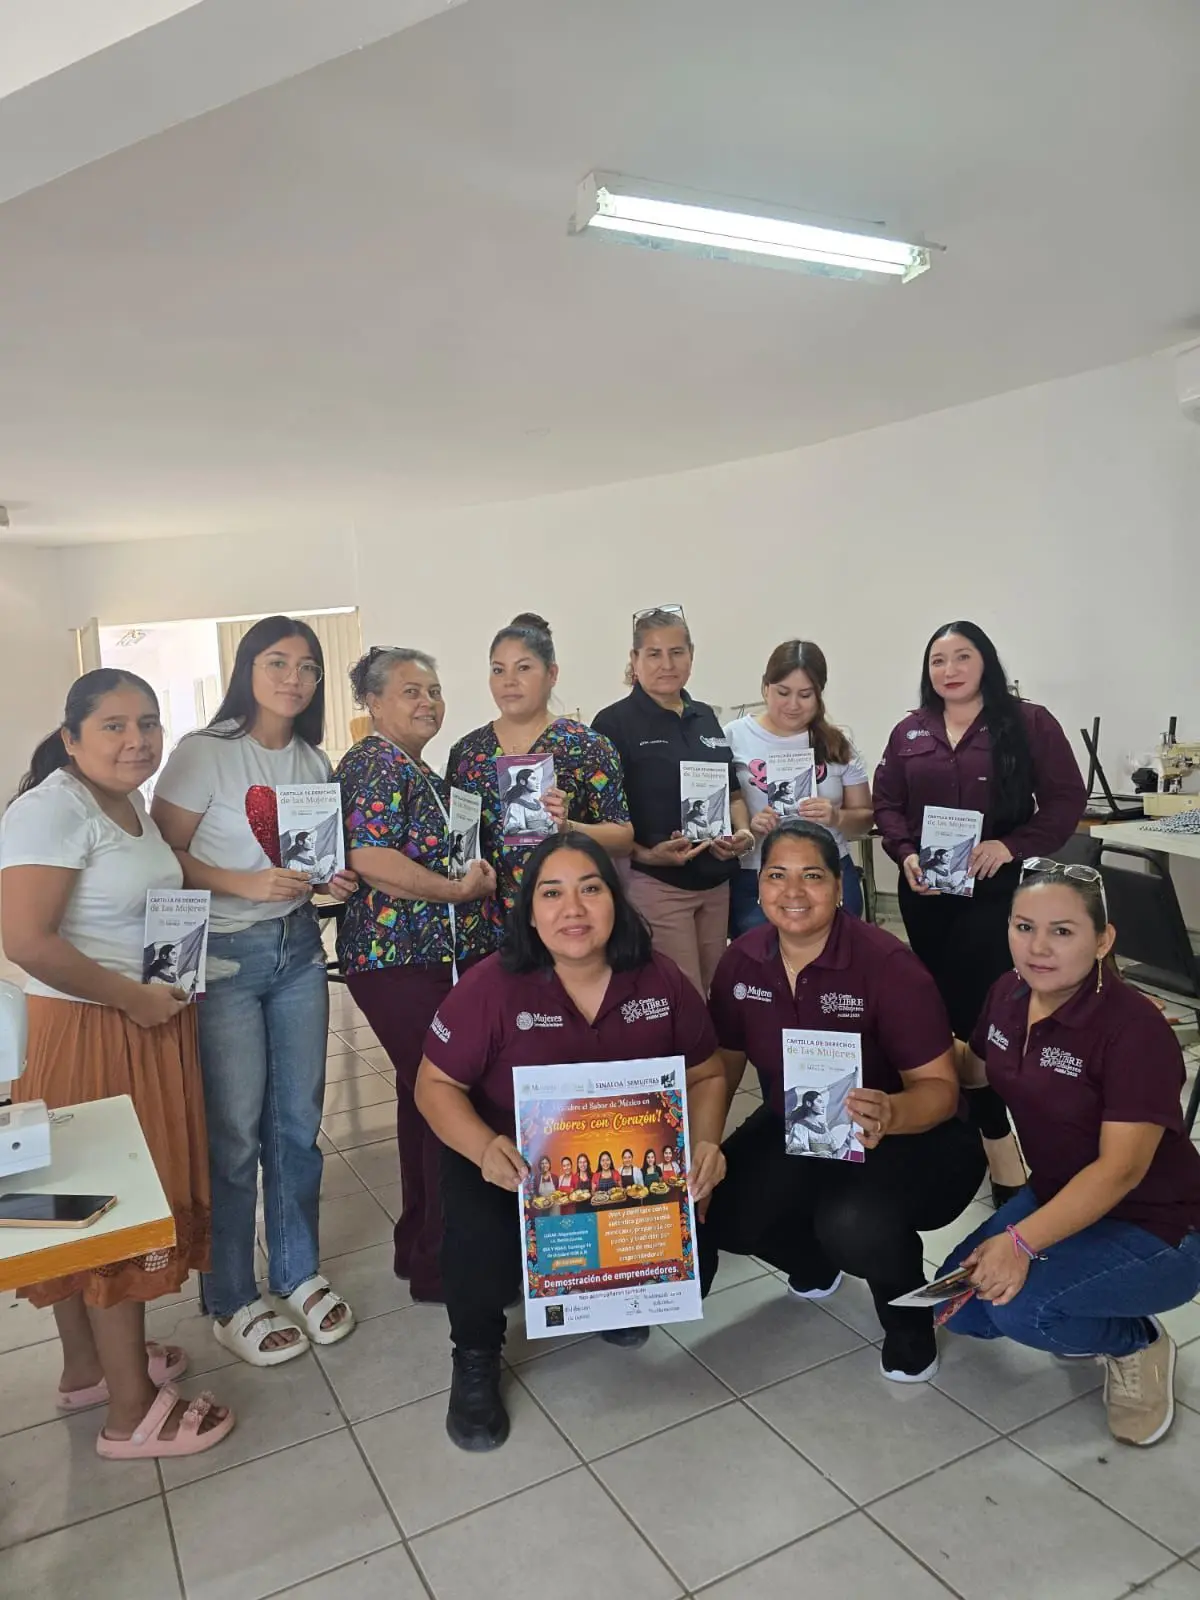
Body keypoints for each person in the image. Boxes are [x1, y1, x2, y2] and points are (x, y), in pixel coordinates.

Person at [414, 832, 728, 1450]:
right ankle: (475, 1356)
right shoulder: (490, 986)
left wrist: (706, 1146)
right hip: (509, 1162)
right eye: (552, 893)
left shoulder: (658, 978)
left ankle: (612, 1299)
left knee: (699, 1259)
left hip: (622, 1166)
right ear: (530, 911)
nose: (574, 909)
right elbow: (434, 1084)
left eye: (590, 889)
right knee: (477, 1242)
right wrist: (483, 1148)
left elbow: (707, 1073)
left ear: (616, 899)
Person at [0, 671, 234, 1459]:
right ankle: (131, 1414)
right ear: (71, 738)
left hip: (135, 1018)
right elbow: (26, 941)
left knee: (80, 1208)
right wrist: (132, 1000)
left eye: (149, 722)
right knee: (105, 1213)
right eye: (114, 725)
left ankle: (89, 1368)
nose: (137, 740)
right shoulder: (51, 809)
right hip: (91, 1029)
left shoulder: (125, 803)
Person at [704, 820, 986, 1382]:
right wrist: (706, 1147)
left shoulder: (887, 965)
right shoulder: (743, 961)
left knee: (853, 1222)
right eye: (777, 876)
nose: (793, 891)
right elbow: (724, 1065)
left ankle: (908, 1324)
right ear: (759, 886)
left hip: (913, 1134)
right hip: (800, 1125)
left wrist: (891, 1114)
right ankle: (812, 1262)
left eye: (812, 876)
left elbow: (939, 1089)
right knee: (721, 1207)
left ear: (839, 886)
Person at [152, 616, 357, 1365]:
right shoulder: (204, 753)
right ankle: (231, 1294)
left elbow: (311, 860)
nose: (293, 679)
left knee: (297, 1124)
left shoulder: (312, 759)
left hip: (298, 949)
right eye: (277, 662)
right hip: (224, 959)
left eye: (307, 667)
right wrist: (242, 883)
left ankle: (297, 1271)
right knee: (234, 1133)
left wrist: (331, 880)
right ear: (248, 669)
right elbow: (161, 852)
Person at [939, 862, 1200, 1447]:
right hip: (1060, 1192)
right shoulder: (1007, 993)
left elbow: (1121, 1170)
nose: (1038, 947)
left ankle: (1137, 1343)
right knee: (961, 1304)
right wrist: (892, 1053)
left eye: (1062, 931)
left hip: (1161, 1223)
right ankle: (1082, 1303)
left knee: (1019, 1307)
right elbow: (973, 1068)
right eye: (1024, 926)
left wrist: (1020, 1242)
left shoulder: (1133, 1029)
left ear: (1103, 940)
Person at [873, 620, 1086, 1207]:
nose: (950, 670)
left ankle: (998, 1137)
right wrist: (904, 852)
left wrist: (1011, 846)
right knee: (936, 1009)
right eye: (938, 660)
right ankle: (959, 1122)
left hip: (995, 893)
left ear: (985, 661)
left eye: (962, 656)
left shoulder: (1028, 723)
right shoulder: (910, 731)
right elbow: (887, 804)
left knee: (982, 1013)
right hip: (926, 894)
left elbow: (1066, 800)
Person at [334, 647, 498, 1302]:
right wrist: (458, 892)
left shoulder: (419, 769)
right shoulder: (374, 763)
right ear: (373, 702)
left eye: (433, 690)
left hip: (433, 958)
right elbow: (371, 857)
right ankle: (444, 1264)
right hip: (397, 958)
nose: (427, 702)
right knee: (446, 1096)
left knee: (422, 1097)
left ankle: (421, 1248)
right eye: (410, 691)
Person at [593, 608, 753, 995]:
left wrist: (744, 832)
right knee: (682, 994)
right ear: (634, 660)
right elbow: (599, 819)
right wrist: (648, 855)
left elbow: (732, 793)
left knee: (718, 991)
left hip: (715, 881)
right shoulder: (612, 724)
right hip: (656, 883)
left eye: (677, 652)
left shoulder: (705, 717)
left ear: (691, 655)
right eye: (654, 654)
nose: (667, 664)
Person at [446, 613, 632, 920]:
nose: (509, 681)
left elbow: (623, 838)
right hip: (487, 917)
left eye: (523, 668)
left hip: (567, 913)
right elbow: (460, 839)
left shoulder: (587, 746)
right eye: (498, 670)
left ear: (552, 673)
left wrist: (568, 827)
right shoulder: (467, 753)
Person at [725, 640, 872, 936]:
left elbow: (865, 818)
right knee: (763, 959)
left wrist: (836, 817)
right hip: (757, 875)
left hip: (827, 871)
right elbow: (717, 810)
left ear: (819, 694)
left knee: (836, 956)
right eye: (783, 692)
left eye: (805, 695)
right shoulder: (734, 737)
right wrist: (749, 827)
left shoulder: (837, 742)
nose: (793, 705)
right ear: (765, 687)